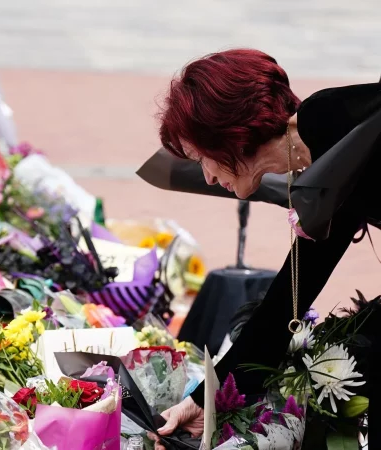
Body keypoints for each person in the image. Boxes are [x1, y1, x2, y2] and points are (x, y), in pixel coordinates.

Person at [151, 49, 380, 449]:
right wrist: (209, 398)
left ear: (227, 134)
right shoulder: (315, 164)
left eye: (201, 157)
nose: (205, 175)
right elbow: (288, 299)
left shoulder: (331, 121)